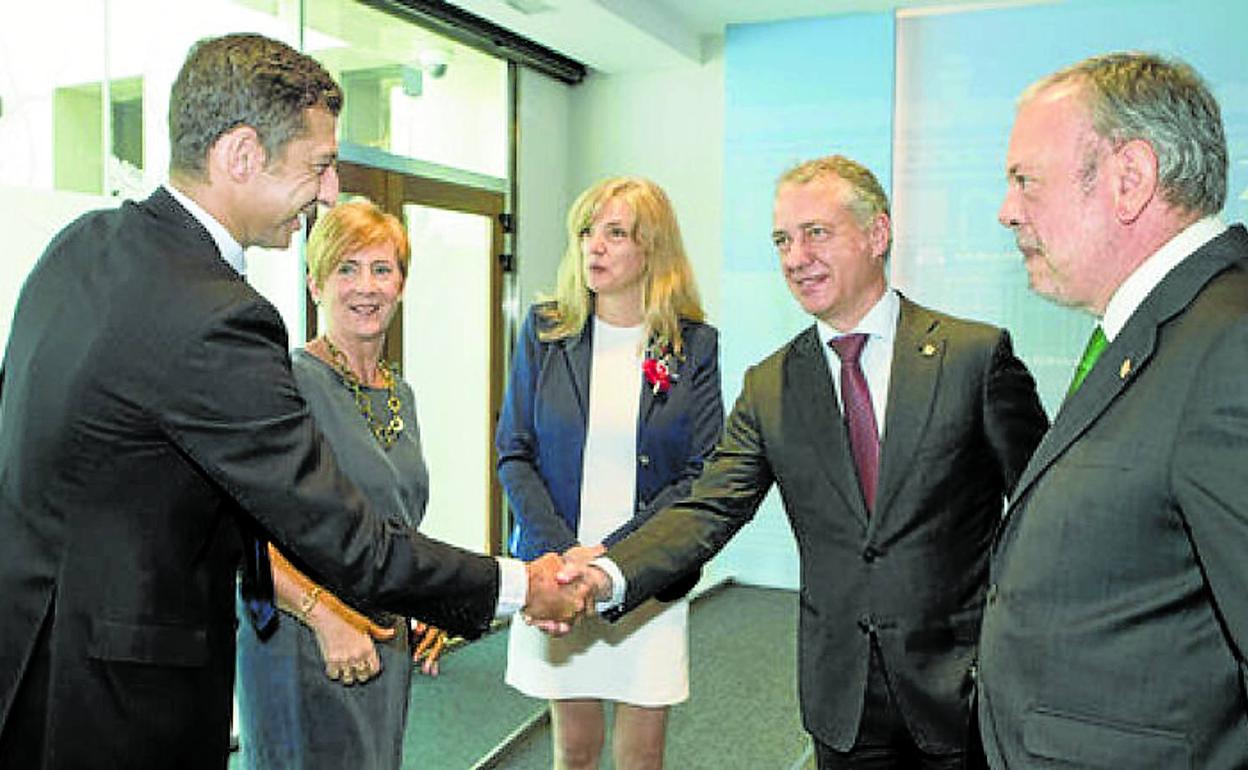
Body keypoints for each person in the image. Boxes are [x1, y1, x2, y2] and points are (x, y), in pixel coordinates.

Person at [0, 32, 574, 769]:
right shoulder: (215, 315)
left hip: (30, 664)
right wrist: (523, 584)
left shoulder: (81, 246)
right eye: (320, 164)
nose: (330, 191)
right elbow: (351, 540)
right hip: (121, 705)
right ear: (242, 156)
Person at [559, 156, 1049, 769]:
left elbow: (1042, 511)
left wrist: (1022, 646)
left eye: (816, 232)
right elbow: (708, 507)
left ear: (877, 234)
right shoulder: (771, 385)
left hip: (965, 690)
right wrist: (609, 571)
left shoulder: (974, 358)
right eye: (782, 241)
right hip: (841, 699)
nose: (795, 257)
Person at [974, 52, 1248, 768]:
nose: (1007, 209)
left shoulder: (1231, 343)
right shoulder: (1157, 327)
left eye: (1025, 180)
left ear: (1129, 179)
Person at [497, 177, 723, 769]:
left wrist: (610, 559)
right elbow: (513, 453)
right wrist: (565, 557)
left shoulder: (692, 346)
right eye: (586, 232)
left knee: (641, 759)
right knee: (573, 751)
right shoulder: (547, 332)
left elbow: (700, 476)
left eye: (615, 233)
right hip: (554, 568)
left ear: (653, 247)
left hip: (644, 572)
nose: (593, 247)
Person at [235, 200, 447, 768]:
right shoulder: (285, 382)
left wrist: (425, 601)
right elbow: (242, 532)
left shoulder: (400, 395)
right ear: (314, 284)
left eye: (382, 268)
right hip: (304, 637)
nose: (366, 286)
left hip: (384, 636)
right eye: (346, 269)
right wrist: (326, 618)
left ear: (401, 283)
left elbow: (398, 522)